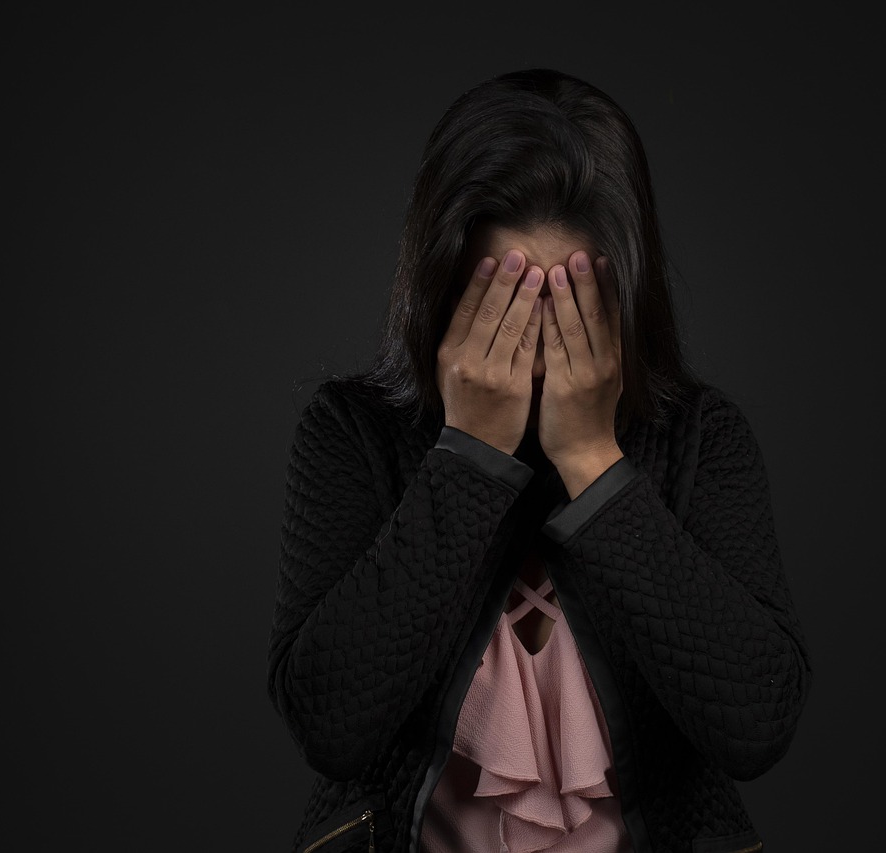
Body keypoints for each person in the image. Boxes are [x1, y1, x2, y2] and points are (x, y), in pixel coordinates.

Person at [266, 68, 812, 853]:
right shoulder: (354, 433)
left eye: (567, 305)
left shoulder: (702, 439)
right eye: (503, 302)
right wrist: (469, 456)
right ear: (446, 286)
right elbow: (330, 725)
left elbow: (756, 726)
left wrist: (595, 464)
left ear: (623, 298)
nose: (533, 340)